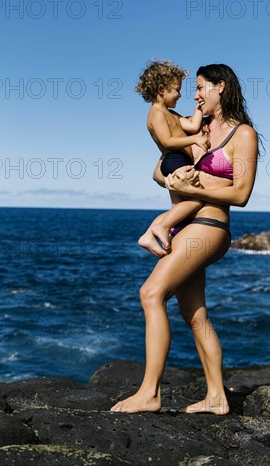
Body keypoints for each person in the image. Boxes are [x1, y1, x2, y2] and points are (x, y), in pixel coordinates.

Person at [110, 63, 259, 415]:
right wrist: (172, 181)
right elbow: (159, 169)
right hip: (184, 226)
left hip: (209, 227)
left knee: (151, 293)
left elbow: (241, 194)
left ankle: (149, 393)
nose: (194, 95)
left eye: (201, 88)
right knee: (195, 315)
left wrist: (199, 184)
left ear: (220, 87)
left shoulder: (244, 135)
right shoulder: (199, 129)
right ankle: (217, 397)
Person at [136, 60, 211, 256]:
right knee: (197, 201)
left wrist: (199, 107)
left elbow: (193, 126)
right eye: (176, 90)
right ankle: (160, 228)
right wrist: (195, 140)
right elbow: (167, 142)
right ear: (161, 89)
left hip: (180, 160)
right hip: (174, 160)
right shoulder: (156, 114)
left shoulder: (171, 114)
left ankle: (148, 236)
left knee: (178, 208)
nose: (180, 94)